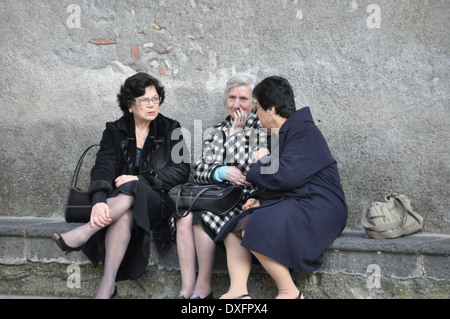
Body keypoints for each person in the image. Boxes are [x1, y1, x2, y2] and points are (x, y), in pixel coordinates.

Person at [53, 72, 190, 298]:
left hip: (156, 204)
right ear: (130, 103)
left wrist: (139, 179)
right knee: (125, 215)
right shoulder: (115, 130)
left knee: (135, 185)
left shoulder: (170, 128)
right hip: (120, 206)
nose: (151, 105)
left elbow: (181, 170)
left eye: (155, 98)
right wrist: (97, 202)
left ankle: (86, 232)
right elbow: (103, 167)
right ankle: (107, 286)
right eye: (144, 100)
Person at [215, 76, 348, 299]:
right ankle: (238, 292)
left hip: (321, 205)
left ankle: (290, 292)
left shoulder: (304, 131)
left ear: (271, 109)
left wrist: (263, 160)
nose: (255, 115)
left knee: (256, 225)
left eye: (257, 109)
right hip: (298, 199)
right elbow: (285, 180)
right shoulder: (283, 132)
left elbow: (284, 177)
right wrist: (260, 199)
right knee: (234, 228)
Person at [171, 73, 267, 299]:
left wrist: (234, 136)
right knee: (183, 215)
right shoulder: (216, 130)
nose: (236, 104)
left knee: (200, 219)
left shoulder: (262, 129)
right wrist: (221, 171)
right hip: (216, 196)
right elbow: (199, 170)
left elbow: (247, 172)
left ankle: (203, 286)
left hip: (242, 199)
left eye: (243, 99)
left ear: (254, 103)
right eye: (232, 98)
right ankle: (187, 289)